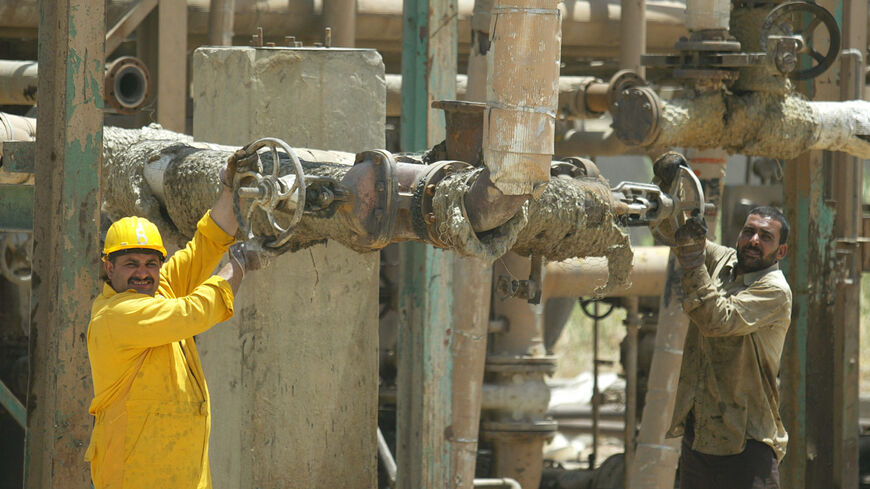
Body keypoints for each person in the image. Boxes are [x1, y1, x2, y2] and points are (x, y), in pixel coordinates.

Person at [84, 163, 256, 488]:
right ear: (109, 267)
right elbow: (196, 311)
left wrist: (232, 188)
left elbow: (204, 246)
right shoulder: (116, 316)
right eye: (130, 263)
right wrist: (241, 264)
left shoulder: (158, 290)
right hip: (135, 479)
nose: (143, 273)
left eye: (151, 263)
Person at [668, 203, 792, 489]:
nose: (754, 241)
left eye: (766, 236)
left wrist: (692, 259)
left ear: (780, 251)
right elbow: (677, 233)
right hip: (700, 435)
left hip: (747, 441)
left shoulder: (774, 290)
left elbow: (716, 321)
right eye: (749, 232)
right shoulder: (724, 261)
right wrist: (669, 197)